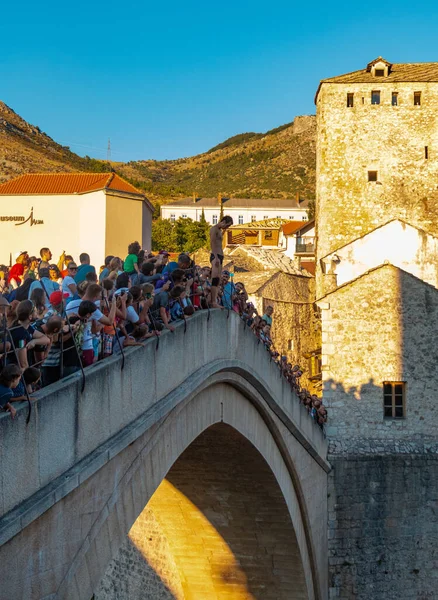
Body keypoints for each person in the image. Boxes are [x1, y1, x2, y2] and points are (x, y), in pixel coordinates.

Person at [209, 216, 233, 308]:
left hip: (220, 255)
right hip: (216, 255)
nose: (227, 228)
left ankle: (215, 300)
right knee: (215, 278)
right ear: (223, 222)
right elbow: (212, 243)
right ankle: (213, 301)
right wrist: (215, 257)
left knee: (218, 279)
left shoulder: (219, 230)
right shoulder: (214, 229)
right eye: (227, 225)